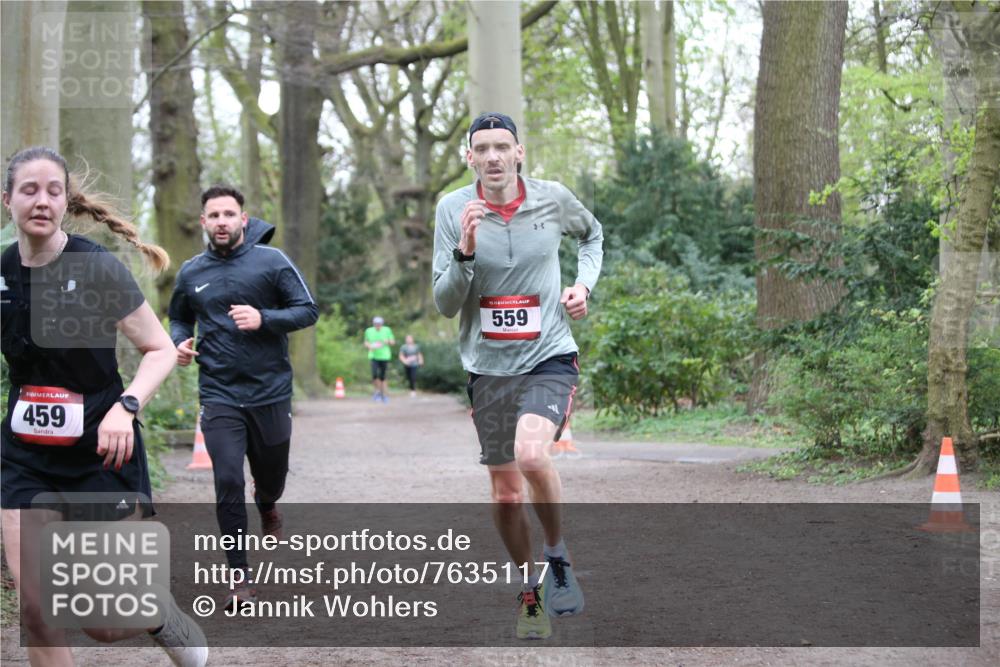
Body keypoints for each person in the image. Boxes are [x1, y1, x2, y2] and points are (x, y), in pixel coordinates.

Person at [1, 146, 207, 666]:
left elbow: (160, 349)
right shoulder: (2, 272)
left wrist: (126, 407)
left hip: (101, 451)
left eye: (53, 191)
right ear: (8, 201)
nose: (41, 201)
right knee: (36, 611)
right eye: (29, 190)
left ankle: (158, 613)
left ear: (67, 201)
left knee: (106, 622)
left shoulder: (95, 268)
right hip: (24, 457)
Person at [432, 113, 603, 639]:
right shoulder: (452, 208)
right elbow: (444, 304)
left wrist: (584, 286)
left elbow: (592, 236)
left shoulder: (551, 198)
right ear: (469, 157)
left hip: (549, 354)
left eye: (501, 146)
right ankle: (528, 589)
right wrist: (464, 250)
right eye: (481, 148)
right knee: (506, 494)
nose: (492, 157)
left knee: (533, 454)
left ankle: (558, 560)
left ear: (519, 151)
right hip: (488, 367)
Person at [168, 185, 318, 607]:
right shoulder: (191, 272)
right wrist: (179, 342)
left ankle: (267, 503)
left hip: (270, 391)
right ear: (203, 222)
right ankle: (239, 577)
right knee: (228, 478)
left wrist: (263, 318)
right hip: (218, 393)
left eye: (228, 214)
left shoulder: (271, 262)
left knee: (271, 477)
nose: (221, 222)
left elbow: (307, 310)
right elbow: (178, 317)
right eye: (213, 215)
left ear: (243, 219)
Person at [364, 316, 395, 402]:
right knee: (374, 375)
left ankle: (384, 394)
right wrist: (369, 346)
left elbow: (393, 342)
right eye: (376, 324)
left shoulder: (387, 330)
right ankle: (377, 392)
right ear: (373, 324)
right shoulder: (368, 331)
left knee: (383, 376)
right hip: (373, 356)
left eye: (379, 324)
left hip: (384, 356)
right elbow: (366, 342)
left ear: (382, 324)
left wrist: (387, 341)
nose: (377, 326)